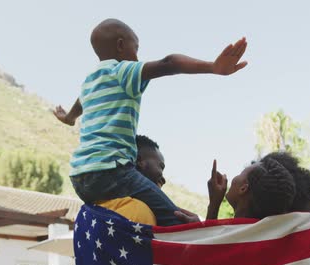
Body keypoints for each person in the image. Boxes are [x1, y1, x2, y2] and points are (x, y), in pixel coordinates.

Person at [54, 18, 248, 226]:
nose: (137, 56)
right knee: (177, 221)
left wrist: (69, 118)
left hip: (80, 178)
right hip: (111, 171)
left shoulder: (90, 82)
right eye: (135, 48)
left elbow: (79, 104)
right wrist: (213, 67)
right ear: (120, 46)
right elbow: (169, 63)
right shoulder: (122, 71)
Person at [100, 134, 166, 225]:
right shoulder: (139, 212)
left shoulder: (92, 208)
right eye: (161, 167)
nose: (164, 180)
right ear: (139, 161)